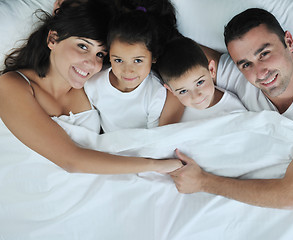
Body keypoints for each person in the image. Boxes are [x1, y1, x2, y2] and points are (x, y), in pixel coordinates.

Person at [169, 8, 293, 208]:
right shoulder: (240, 77)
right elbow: (181, 53)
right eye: (245, 64)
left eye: (265, 54)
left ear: (289, 42)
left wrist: (203, 182)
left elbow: (289, 195)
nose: (260, 73)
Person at [0, 0, 182, 174]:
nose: (91, 63)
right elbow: (71, 160)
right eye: (82, 46)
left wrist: (163, 141)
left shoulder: (96, 82)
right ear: (53, 39)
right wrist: (155, 165)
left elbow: (171, 69)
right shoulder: (12, 85)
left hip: (101, 186)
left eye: (100, 54)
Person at [84, 0, 184, 132]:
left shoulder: (156, 93)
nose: (128, 71)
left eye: (137, 61)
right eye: (119, 60)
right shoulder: (93, 83)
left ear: (153, 57)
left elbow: (153, 139)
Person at [157, 36, 246, 122]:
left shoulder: (234, 111)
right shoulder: (174, 114)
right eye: (183, 91)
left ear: (211, 70)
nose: (196, 96)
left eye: (200, 82)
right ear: (171, 90)